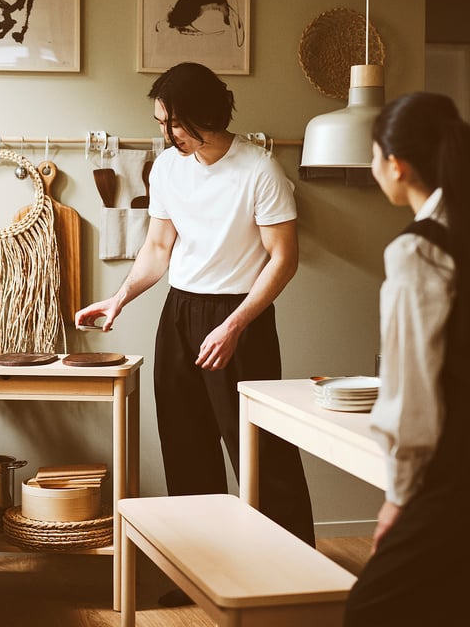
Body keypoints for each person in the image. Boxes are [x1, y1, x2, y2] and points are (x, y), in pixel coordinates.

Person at [76, 63, 315, 590]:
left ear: (207, 114)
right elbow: (159, 249)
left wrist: (234, 326)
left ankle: (295, 575)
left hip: (240, 317)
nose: (167, 133)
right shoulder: (167, 168)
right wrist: (119, 299)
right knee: (185, 447)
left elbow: (283, 259)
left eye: (174, 123)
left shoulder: (260, 170)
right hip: (180, 313)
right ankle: (198, 573)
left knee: (262, 451)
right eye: (162, 122)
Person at [345, 92, 470, 626]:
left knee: (371, 609)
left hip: (451, 472)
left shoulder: (416, 251)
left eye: (374, 157)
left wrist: (397, 499)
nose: (374, 169)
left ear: (396, 165)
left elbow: (411, 393)